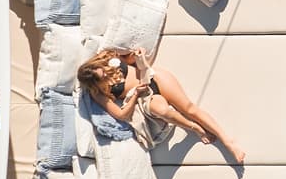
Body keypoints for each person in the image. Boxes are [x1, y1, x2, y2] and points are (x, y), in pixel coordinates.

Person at [77, 48, 246, 165]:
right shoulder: (98, 94)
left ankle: (228, 142)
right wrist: (135, 94)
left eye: (102, 70)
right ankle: (194, 127)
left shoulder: (107, 57)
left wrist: (138, 56)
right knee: (162, 110)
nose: (106, 73)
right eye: (102, 77)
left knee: (189, 108)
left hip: (153, 77)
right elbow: (121, 115)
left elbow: (132, 60)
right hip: (145, 95)